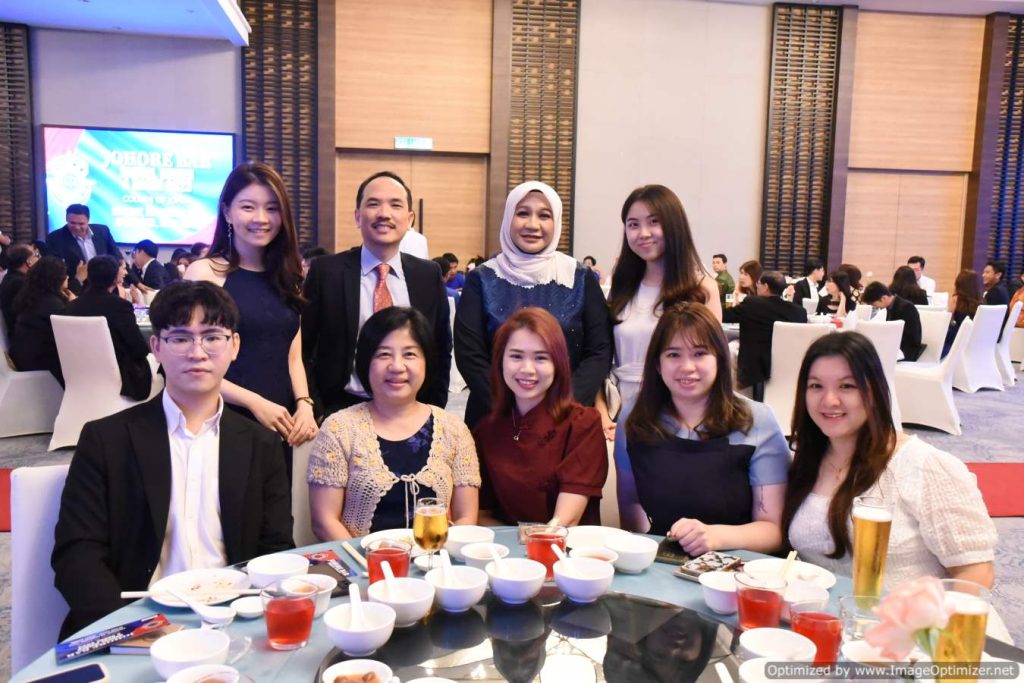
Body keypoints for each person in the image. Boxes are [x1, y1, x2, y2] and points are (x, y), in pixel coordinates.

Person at [51, 281, 293, 639]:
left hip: (233, 623)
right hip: (134, 624)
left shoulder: (262, 445)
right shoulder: (106, 439)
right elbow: (77, 555)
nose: (197, 352)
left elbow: (275, 549)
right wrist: (134, 631)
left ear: (235, 346)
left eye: (212, 337)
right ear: (156, 348)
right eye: (180, 338)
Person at [782, 332, 996, 591]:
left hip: (909, 614)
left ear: (874, 392)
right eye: (816, 386)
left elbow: (975, 571)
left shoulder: (924, 466)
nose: (829, 400)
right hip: (819, 612)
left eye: (847, 386)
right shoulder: (805, 462)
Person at [615, 302, 788, 554]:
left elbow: (773, 531)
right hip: (665, 562)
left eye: (699, 353)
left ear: (720, 358)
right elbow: (630, 503)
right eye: (673, 354)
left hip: (737, 563)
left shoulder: (757, 421)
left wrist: (715, 537)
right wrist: (644, 554)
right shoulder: (634, 417)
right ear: (657, 364)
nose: (687, 367)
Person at [307, 307, 480, 539]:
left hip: (434, 558)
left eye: (409, 354)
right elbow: (324, 521)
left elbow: (466, 518)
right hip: (359, 559)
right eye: (383, 354)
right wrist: (367, 561)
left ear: (426, 361)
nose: (397, 366)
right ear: (366, 362)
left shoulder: (454, 430)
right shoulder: (339, 429)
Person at [455, 180, 612, 428]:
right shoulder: (481, 279)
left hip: (566, 417)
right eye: (522, 213)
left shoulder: (579, 277)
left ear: (556, 221)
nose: (532, 224)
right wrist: (510, 407)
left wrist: (563, 405)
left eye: (544, 215)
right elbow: (470, 354)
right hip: (495, 415)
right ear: (509, 218)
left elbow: (599, 350)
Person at [186, 162, 317, 455]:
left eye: (272, 208)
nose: (261, 218)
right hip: (223, 418)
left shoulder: (289, 276)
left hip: (280, 422)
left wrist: (304, 403)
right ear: (227, 212)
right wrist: (254, 403)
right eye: (248, 207)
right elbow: (191, 365)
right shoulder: (205, 274)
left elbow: (292, 356)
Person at [303, 171, 452, 416]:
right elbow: (304, 348)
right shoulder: (326, 272)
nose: (384, 213)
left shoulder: (428, 275)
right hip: (340, 410)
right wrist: (318, 409)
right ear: (357, 216)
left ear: (409, 219)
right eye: (373, 204)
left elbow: (441, 348)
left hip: (412, 411)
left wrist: (433, 408)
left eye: (395, 205)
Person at [602, 184, 722, 440]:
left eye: (654, 222)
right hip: (625, 409)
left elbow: (714, 362)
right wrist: (604, 411)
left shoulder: (702, 289)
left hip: (682, 413)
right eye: (633, 225)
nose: (643, 233)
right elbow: (601, 356)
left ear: (674, 225)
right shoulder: (622, 288)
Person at [473, 308, 607, 526]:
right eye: (516, 356)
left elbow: (565, 521)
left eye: (541, 358)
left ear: (558, 364)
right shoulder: (486, 431)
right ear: (500, 361)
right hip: (504, 547)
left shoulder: (583, 425)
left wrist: (520, 540)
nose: (527, 369)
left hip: (566, 545)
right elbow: (481, 514)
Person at [66, 255, 153, 400]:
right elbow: (139, 348)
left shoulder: (70, 307)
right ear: (114, 277)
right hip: (120, 378)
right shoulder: (120, 307)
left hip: (78, 377)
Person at [723, 271, 807, 399]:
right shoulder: (799, 312)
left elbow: (724, 316)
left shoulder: (753, 304)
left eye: (758, 284)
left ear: (766, 286)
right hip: (788, 370)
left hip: (755, 371)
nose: (757, 286)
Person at [10, 256, 73, 384]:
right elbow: (70, 335)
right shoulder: (53, 305)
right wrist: (72, 305)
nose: (67, 277)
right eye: (64, 274)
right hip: (42, 364)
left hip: (24, 357)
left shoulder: (30, 296)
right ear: (56, 279)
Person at [46, 203, 122, 295]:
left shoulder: (103, 231)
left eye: (81, 224)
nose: (77, 227)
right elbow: (55, 271)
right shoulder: (55, 238)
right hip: (78, 290)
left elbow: (115, 254)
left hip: (107, 286)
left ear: (88, 220)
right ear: (66, 219)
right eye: (72, 223)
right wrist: (78, 278)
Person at [944, 269, 982, 357]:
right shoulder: (981, 300)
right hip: (975, 338)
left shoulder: (956, 299)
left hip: (959, 337)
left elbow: (948, 318)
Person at [0, 243, 37, 333]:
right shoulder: (19, 283)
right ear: (28, 261)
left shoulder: (10, 277)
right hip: (23, 335)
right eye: (35, 256)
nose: (38, 259)